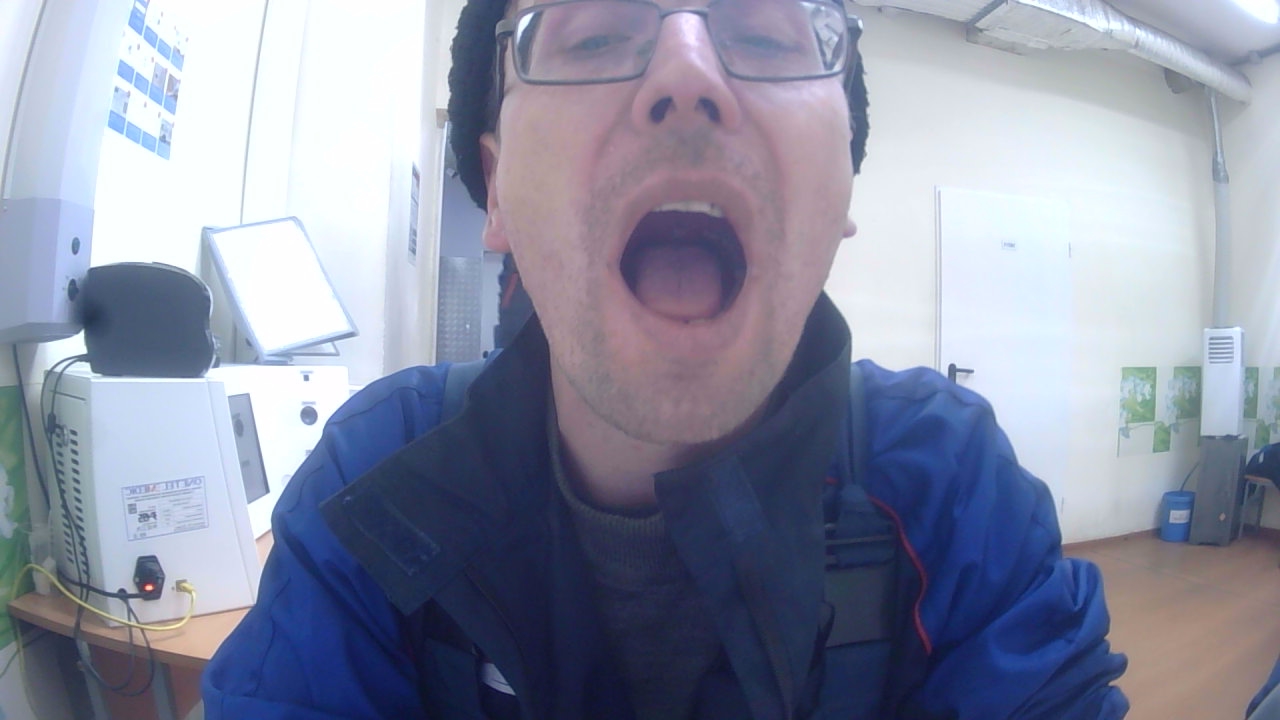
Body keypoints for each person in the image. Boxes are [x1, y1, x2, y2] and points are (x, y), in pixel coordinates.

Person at [202, 0, 1130, 717]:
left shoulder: (953, 493)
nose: (687, 75)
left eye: (764, 33)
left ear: (844, 183)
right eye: (596, 32)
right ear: (498, 190)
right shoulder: (370, 486)